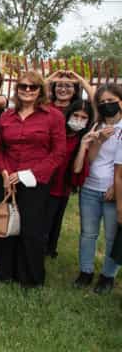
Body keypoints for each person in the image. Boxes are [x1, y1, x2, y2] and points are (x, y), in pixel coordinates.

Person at [0, 71, 66, 287]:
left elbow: (59, 152)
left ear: (40, 91)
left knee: (31, 230)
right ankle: (7, 272)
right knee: (7, 226)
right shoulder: (6, 116)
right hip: (8, 180)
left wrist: (29, 174)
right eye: (23, 86)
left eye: (32, 87)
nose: (27, 90)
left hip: (35, 181)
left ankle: (31, 278)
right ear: (16, 90)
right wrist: (5, 172)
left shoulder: (53, 116)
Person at [72, 84, 122, 294]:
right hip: (91, 187)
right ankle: (85, 271)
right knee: (88, 234)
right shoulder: (95, 125)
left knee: (112, 237)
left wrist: (116, 189)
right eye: (102, 102)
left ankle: (107, 276)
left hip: (114, 190)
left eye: (111, 101)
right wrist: (100, 140)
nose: (106, 105)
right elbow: (90, 159)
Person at [45, 100, 93, 258]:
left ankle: (50, 249)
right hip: (46, 183)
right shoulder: (56, 132)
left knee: (56, 220)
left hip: (63, 186)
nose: (78, 120)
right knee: (44, 217)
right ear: (68, 115)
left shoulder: (82, 139)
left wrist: (83, 146)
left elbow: (77, 169)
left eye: (83, 117)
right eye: (76, 115)